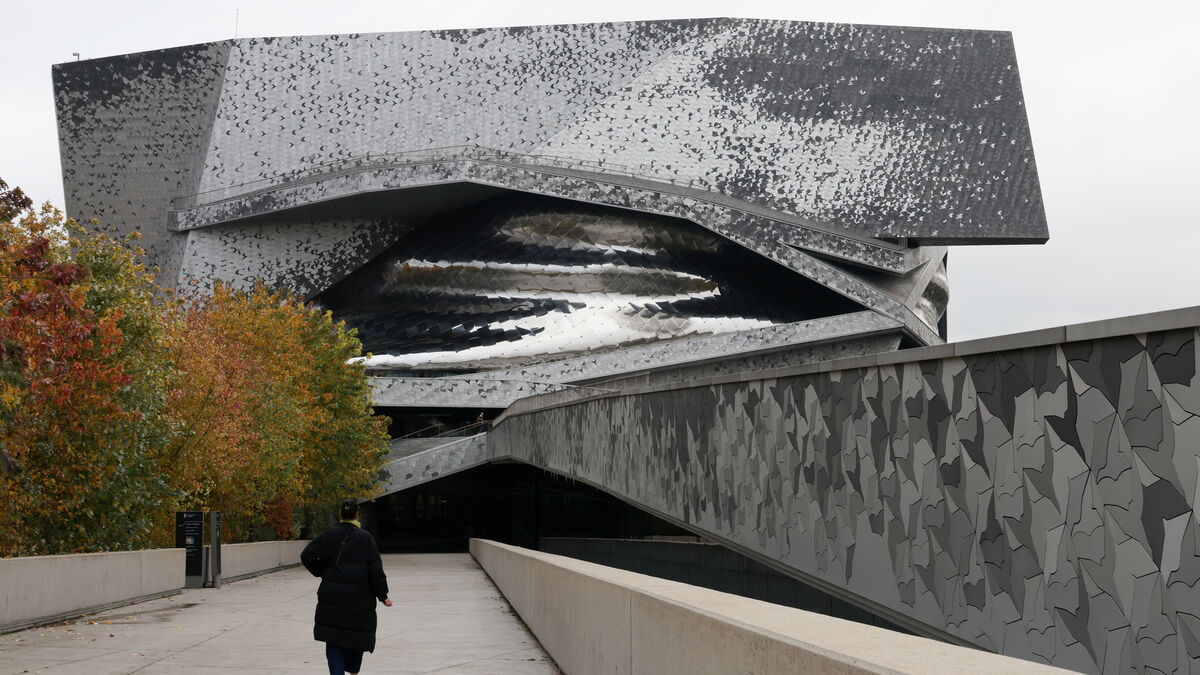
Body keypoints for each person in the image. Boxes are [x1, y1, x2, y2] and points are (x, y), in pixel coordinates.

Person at [301, 499, 393, 675]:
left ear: (340, 514)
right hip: (360, 597)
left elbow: (307, 555)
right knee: (357, 636)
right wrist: (383, 595)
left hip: (332, 596)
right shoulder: (366, 538)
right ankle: (353, 672)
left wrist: (323, 572)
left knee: (333, 638)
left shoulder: (329, 535)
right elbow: (375, 569)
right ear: (357, 515)